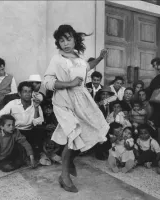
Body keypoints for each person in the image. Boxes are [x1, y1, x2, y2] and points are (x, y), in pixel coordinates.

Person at [43, 24, 109, 193]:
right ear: (58, 43)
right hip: (64, 102)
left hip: (82, 100)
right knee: (74, 135)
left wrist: (100, 58)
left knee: (87, 132)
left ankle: (69, 160)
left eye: (68, 38)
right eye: (61, 40)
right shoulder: (57, 59)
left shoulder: (79, 57)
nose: (65, 43)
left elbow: (88, 66)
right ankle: (64, 176)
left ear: (75, 39)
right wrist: (69, 83)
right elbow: (48, 82)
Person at [0, 81, 45, 160]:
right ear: (19, 94)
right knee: (12, 154)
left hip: (29, 132)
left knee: (40, 131)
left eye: (30, 92)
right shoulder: (13, 104)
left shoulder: (36, 105)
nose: (27, 94)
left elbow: (38, 123)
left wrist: (36, 108)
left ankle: (36, 153)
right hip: (14, 133)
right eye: (25, 91)